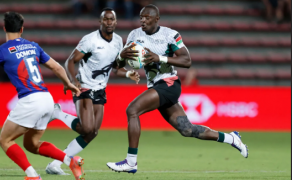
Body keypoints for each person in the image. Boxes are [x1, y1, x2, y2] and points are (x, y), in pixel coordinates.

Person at [106, 4, 249, 173]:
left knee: (132, 110)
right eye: (141, 18)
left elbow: (186, 60)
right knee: (187, 129)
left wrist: (160, 58)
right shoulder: (134, 35)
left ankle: (131, 162)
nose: (143, 21)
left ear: (157, 19)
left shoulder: (170, 35)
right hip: (156, 85)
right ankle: (231, 138)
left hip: (169, 83)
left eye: (147, 17)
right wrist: (121, 56)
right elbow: (117, 66)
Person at [45, 8, 140, 175]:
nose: (109, 22)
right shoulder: (90, 40)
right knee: (87, 128)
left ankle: (55, 164)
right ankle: (57, 114)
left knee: (92, 133)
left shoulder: (118, 41)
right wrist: (73, 82)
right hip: (84, 86)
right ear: (100, 22)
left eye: (112, 19)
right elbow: (70, 61)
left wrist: (128, 73)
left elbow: (115, 68)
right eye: (106, 19)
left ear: (116, 22)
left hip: (100, 90)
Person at [0, 12, 85, 180]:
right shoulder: (33, 46)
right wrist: (68, 83)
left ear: (4, 28)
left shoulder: (1, 51)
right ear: (22, 29)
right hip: (46, 99)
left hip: (30, 100)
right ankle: (70, 161)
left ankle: (32, 175)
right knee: (31, 144)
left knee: (4, 140)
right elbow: (56, 67)